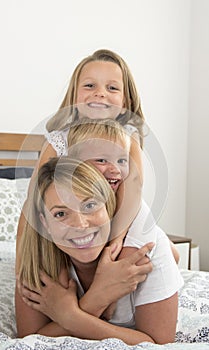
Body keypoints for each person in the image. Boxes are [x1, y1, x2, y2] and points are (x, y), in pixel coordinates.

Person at [16, 157, 183, 345]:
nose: (80, 225)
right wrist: (97, 298)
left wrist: (71, 316)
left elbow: (160, 344)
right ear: (45, 223)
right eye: (61, 214)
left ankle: (173, 252)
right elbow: (28, 342)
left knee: (167, 251)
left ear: (108, 206)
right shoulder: (37, 258)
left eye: (89, 205)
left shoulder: (145, 252)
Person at [16, 49, 145, 274]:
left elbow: (134, 184)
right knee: (55, 270)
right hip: (76, 225)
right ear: (74, 94)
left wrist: (117, 239)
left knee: (140, 259)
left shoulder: (127, 135)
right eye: (89, 86)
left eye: (112, 88)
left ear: (127, 100)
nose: (100, 94)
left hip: (121, 219)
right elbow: (34, 195)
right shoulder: (59, 139)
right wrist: (23, 257)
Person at [67, 117, 179, 262]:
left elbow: (172, 256)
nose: (115, 169)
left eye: (122, 160)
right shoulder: (70, 199)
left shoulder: (128, 202)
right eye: (101, 160)